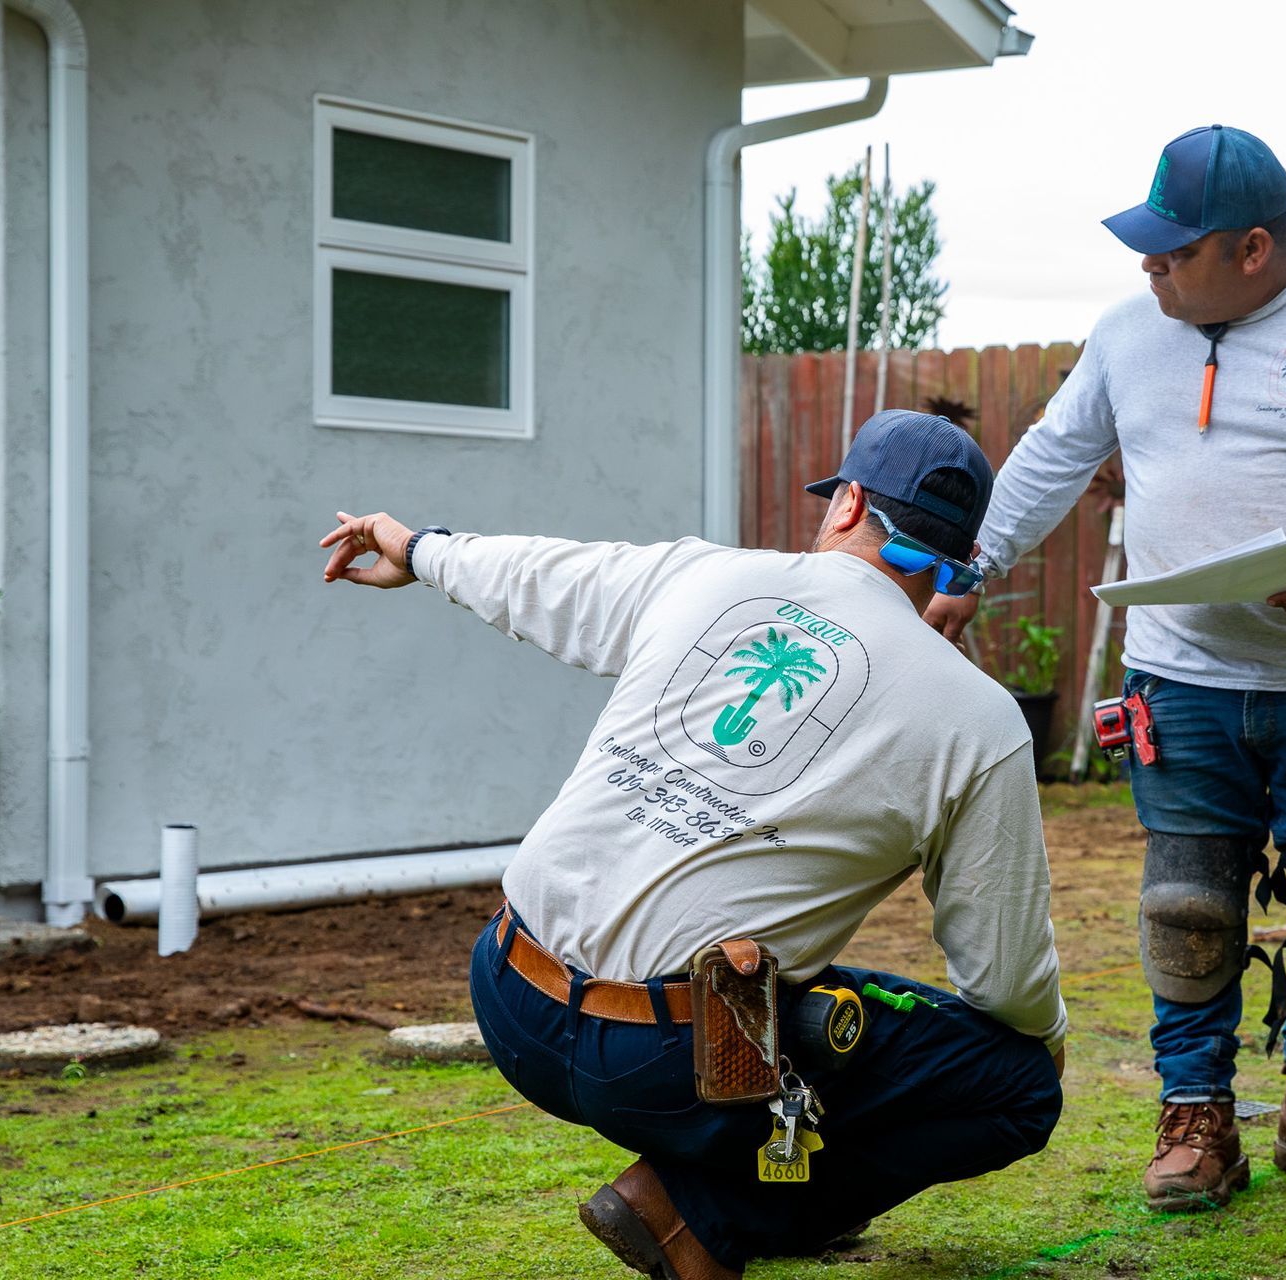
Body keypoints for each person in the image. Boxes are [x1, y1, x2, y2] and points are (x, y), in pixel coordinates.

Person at [319, 410, 1066, 1279]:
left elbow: (537, 574)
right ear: (959, 556)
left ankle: (723, 1191)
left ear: (850, 501)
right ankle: (704, 1212)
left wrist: (418, 549)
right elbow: (1003, 974)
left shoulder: (704, 575)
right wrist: (1042, 1037)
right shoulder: (977, 718)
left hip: (509, 1000)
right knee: (1015, 1086)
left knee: (813, 990)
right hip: (670, 1064)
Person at [926, 125, 1286, 1211]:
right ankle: (1198, 1118)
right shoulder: (1129, 333)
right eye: (1148, 247)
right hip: (1176, 681)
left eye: (1175, 252)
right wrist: (969, 563)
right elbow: (1051, 456)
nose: (1150, 267)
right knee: (1186, 905)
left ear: (1255, 248)